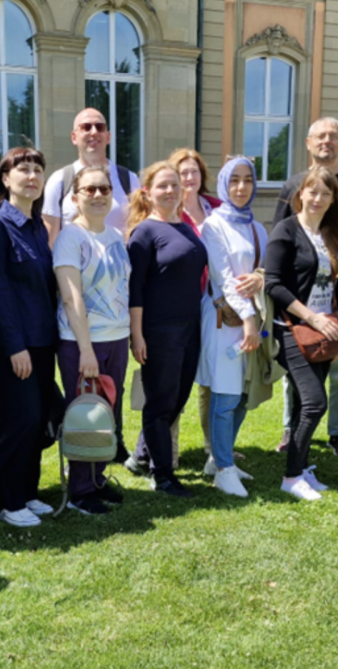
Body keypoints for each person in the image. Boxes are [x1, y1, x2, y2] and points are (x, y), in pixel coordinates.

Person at [0, 147, 60, 528]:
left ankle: (26, 492)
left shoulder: (39, 227)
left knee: (39, 420)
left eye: (38, 169)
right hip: (14, 347)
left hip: (43, 342)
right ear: (6, 180)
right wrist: (14, 346)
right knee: (18, 421)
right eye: (22, 169)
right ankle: (4, 501)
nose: (32, 175)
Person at [272, 117, 338, 457]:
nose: (327, 141)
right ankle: (290, 431)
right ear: (308, 143)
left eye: (333, 136)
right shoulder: (294, 184)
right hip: (301, 299)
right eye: (320, 136)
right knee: (296, 374)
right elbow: (279, 237)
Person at [264, 167, 338, 500]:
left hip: (324, 332)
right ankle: (290, 478)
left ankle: (300, 468)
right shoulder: (286, 230)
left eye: (325, 194)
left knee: (305, 403)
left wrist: (334, 321)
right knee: (316, 402)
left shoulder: (330, 234)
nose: (317, 199)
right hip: (292, 328)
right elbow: (273, 284)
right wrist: (312, 318)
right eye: (312, 192)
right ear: (300, 194)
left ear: (333, 200)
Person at [53, 165, 131, 515]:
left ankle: (97, 480)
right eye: (89, 190)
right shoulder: (71, 237)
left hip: (117, 338)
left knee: (108, 412)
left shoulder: (115, 237)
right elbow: (72, 297)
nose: (98, 195)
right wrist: (86, 350)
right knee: (86, 412)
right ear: (75, 197)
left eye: (104, 189)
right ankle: (81, 490)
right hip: (82, 341)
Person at [127, 161, 207, 498]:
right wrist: (137, 335)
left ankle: (143, 456)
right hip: (159, 332)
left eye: (175, 184)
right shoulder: (144, 232)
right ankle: (163, 476)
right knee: (160, 403)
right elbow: (136, 288)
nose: (171, 190)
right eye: (162, 185)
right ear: (148, 192)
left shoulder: (188, 228)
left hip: (191, 329)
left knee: (177, 399)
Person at [197, 156, 268, 498]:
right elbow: (224, 279)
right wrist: (249, 319)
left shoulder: (258, 227)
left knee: (241, 395)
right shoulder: (213, 225)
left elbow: (266, 271)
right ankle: (223, 468)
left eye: (248, 180)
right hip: (225, 321)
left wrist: (260, 277)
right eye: (234, 180)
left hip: (251, 324)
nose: (241, 187)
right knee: (225, 396)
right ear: (224, 184)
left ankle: (219, 459)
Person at [42, 108, 141, 243]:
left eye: (100, 127)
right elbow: (50, 240)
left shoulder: (129, 180)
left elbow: (138, 232)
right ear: (74, 137)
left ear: (108, 137)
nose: (93, 132)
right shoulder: (60, 180)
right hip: (73, 263)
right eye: (86, 127)